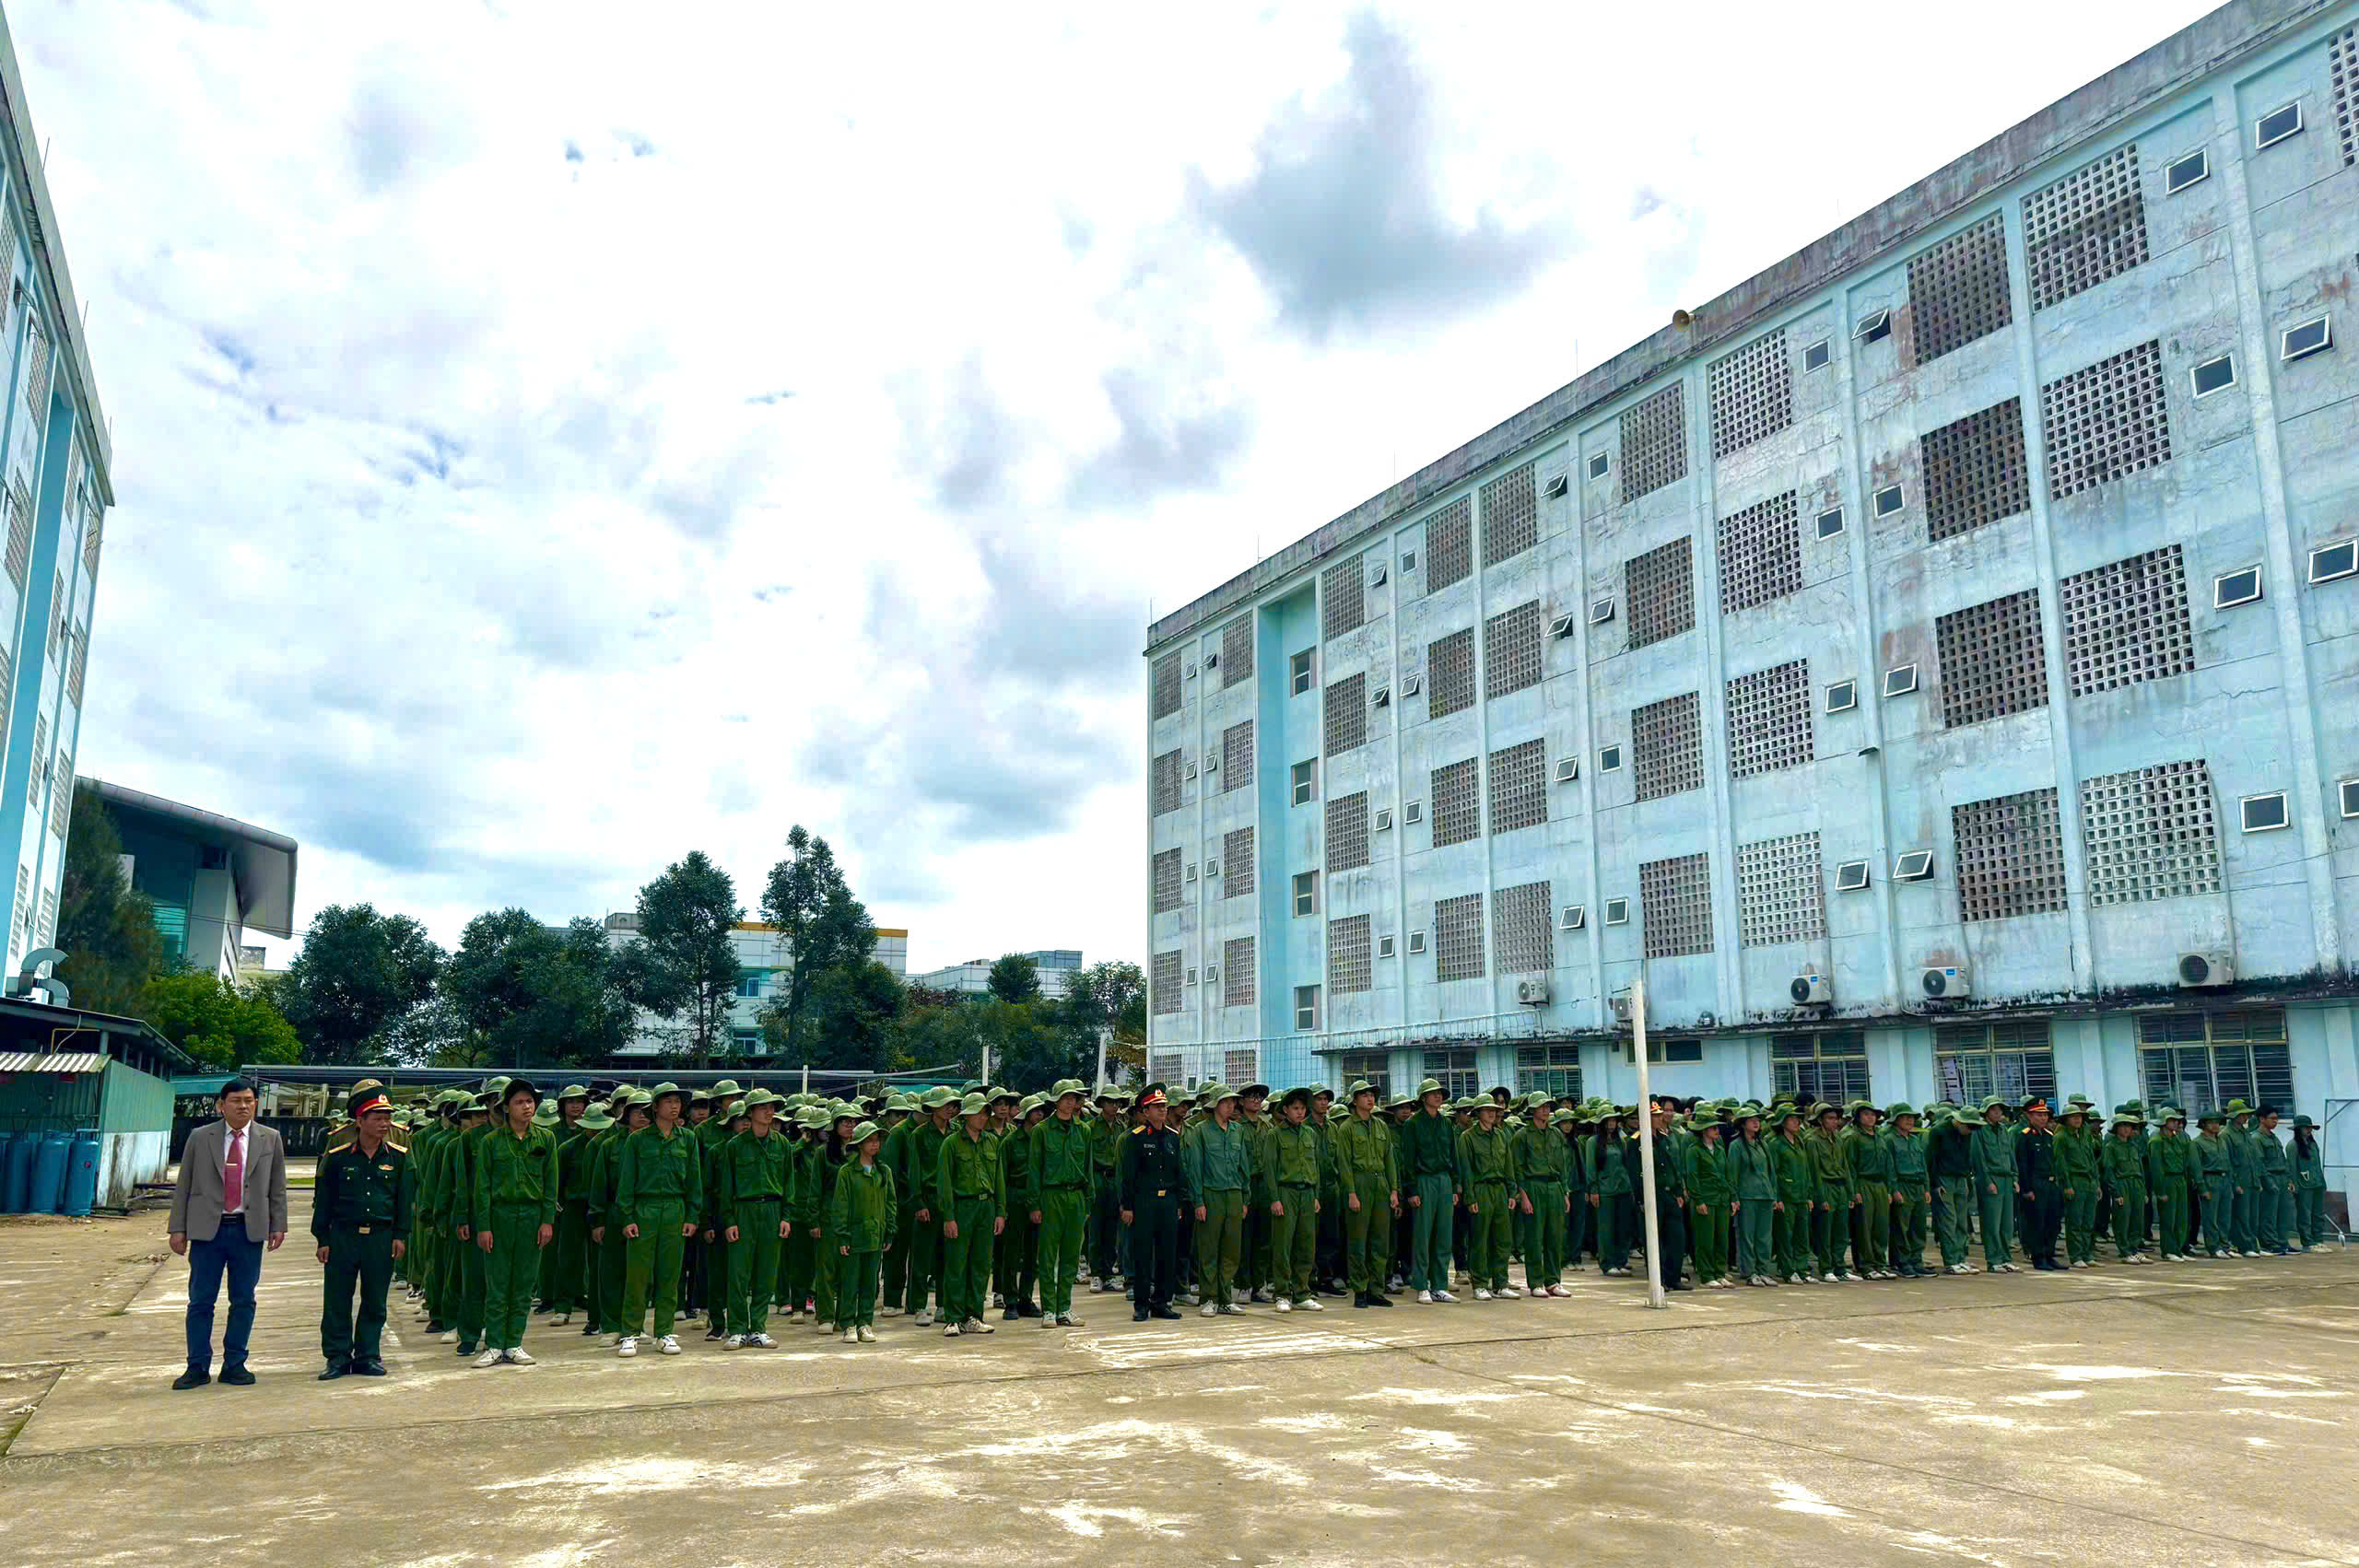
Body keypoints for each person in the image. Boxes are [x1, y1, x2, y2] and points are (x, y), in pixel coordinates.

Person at [169, 1080, 288, 1389]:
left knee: (244, 1300)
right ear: (221, 1105)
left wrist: (278, 1225)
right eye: (236, 1100)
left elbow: (277, 1186)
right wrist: (177, 1228)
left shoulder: (270, 1138)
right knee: (200, 1301)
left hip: (248, 1231)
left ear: (256, 1104)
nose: (243, 1106)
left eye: (249, 1100)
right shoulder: (200, 1137)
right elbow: (184, 1184)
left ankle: (235, 1363)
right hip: (208, 1231)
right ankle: (197, 1366)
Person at [311, 1086, 413, 1379]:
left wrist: (400, 1235)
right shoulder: (339, 1157)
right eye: (377, 1117)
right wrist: (322, 1238)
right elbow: (324, 1200)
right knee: (337, 1299)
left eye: (387, 1117)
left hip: (380, 1237)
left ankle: (368, 1355)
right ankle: (338, 1357)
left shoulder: (398, 1157)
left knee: (375, 1299)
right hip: (343, 1236)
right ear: (360, 1121)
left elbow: (404, 1199)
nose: (384, 1123)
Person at [469, 1079, 559, 1367]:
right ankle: (495, 1344)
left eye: (530, 1101)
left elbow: (551, 1184)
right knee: (497, 1284)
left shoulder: (546, 1139)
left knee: (524, 1284)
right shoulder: (491, 1142)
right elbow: (482, 1187)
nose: (527, 1107)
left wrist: (547, 1221)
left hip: (532, 1217)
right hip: (500, 1216)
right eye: (519, 1102)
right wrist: (484, 1226)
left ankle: (514, 1343)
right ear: (506, 1108)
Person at [616, 1082, 703, 1358]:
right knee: (638, 1276)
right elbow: (626, 1181)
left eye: (677, 1101)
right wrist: (627, 1217)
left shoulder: (688, 1139)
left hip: (675, 1209)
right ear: (655, 1107)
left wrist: (692, 1215)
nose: (675, 1106)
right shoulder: (637, 1140)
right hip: (645, 1208)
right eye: (668, 1102)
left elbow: (694, 1180)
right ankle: (630, 1332)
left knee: (670, 1274)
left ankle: (664, 1332)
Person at [715, 1089, 792, 1348]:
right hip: (743, 1211)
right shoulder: (735, 1146)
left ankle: (758, 1327)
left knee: (766, 1273)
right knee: (738, 1274)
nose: (769, 1112)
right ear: (750, 1112)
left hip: (772, 1210)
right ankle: (737, 1328)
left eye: (771, 1107)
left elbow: (788, 1182)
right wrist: (729, 1220)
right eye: (762, 1107)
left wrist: (786, 1216)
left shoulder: (782, 1144)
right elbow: (726, 1186)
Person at [936, 1092, 1007, 1337]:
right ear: (966, 1116)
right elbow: (944, 1183)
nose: (982, 1117)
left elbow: (999, 1180)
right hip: (961, 1207)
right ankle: (953, 1318)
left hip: (986, 1207)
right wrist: (948, 1216)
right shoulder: (951, 1144)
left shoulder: (992, 1142)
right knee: (956, 1264)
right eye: (977, 1112)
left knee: (981, 1265)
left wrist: (1000, 1212)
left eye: (985, 1112)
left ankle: (974, 1316)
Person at [1119, 1087, 1191, 1320]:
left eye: (1164, 1106)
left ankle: (1162, 1301)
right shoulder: (1136, 1137)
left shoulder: (1173, 1137)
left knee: (1167, 1253)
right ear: (1145, 1111)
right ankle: (1141, 1305)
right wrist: (1127, 1206)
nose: (1162, 1110)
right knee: (1142, 1253)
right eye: (1157, 1107)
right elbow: (1129, 1175)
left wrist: (1179, 1202)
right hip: (1144, 1201)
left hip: (1168, 1201)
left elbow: (1179, 1171)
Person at [1029, 1080, 1095, 1328]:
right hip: (1051, 1195)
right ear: (1056, 1101)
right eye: (1065, 1098)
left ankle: (1064, 1308)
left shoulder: (1083, 1130)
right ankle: (1049, 1309)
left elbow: (1088, 1168)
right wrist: (1034, 1205)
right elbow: (1034, 1169)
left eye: (1073, 1098)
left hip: (1076, 1196)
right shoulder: (1042, 1131)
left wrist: (1088, 1202)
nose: (1070, 1102)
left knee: (1071, 1255)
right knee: (1047, 1255)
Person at [1183, 1083, 1252, 1316]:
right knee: (1209, 1249)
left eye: (1232, 1102)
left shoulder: (1237, 1130)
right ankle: (1209, 1298)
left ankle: (1225, 1298)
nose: (1231, 1106)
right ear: (1214, 1105)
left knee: (1232, 1249)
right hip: (1211, 1194)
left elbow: (1244, 1166)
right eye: (1225, 1102)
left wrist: (1245, 1198)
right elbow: (1195, 1168)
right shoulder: (1201, 1130)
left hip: (1234, 1194)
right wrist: (1198, 1201)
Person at [829, 1119, 897, 1343]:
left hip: (875, 1235)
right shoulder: (847, 1172)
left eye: (877, 1140)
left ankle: (865, 1323)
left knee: (870, 1283)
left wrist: (890, 1230)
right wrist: (842, 1236)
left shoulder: (883, 1171)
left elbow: (890, 1203)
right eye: (870, 1140)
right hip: (854, 1235)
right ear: (859, 1144)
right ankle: (848, 1324)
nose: (875, 1144)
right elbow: (840, 1206)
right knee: (849, 1283)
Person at [1259, 1087, 1324, 1312]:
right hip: (1286, 1191)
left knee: (1306, 1244)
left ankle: (1302, 1293)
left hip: (1307, 1192)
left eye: (1303, 1108)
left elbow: (1315, 1166)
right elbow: (1269, 1168)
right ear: (1285, 1109)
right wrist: (1274, 1199)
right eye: (1295, 1108)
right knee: (1283, 1245)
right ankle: (1282, 1294)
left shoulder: (1310, 1134)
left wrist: (1315, 1195)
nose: (1300, 1112)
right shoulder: (1275, 1135)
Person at [1400, 1078, 1461, 1303]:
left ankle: (1439, 1285)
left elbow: (1453, 1155)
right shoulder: (1413, 1124)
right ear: (1423, 1097)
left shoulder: (1446, 1124)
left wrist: (1455, 1185)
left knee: (1444, 1235)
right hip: (1423, 1180)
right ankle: (1421, 1285)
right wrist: (1412, 1190)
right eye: (1433, 1093)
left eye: (1440, 1093)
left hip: (1444, 1180)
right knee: (1423, 1235)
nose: (1438, 1096)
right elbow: (1407, 1159)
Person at [1456, 1097, 1518, 1299]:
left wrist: (1512, 1192)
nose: (1492, 1113)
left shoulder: (1501, 1136)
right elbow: (1466, 1170)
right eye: (1486, 1110)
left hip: (1500, 1189)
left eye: (1494, 1110)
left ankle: (1500, 1283)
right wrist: (1470, 1198)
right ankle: (1480, 1283)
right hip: (1480, 1189)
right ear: (1477, 1113)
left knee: (1503, 1239)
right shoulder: (1468, 1137)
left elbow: (1508, 1166)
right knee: (1479, 1239)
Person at [1516, 1101, 1571, 1297]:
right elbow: (1518, 1167)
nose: (1546, 1110)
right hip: (1534, 1186)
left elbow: (1562, 1165)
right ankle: (1536, 1282)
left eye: (1548, 1107)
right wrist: (1523, 1196)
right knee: (1534, 1237)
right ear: (1533, 1110)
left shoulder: (1556, 1134)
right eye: (1542, 1107)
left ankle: (1553, 1281)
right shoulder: (1522, 1135)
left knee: (1555, 1236)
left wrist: (1565, 1192)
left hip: (1554, 1186)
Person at [1682, 1115, 1733, 1289]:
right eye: (1713, 1128)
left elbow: (1727, 1173)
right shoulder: (1694, 1150)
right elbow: (1692, 1176)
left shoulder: (1719, 1149)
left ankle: (1720, 1272)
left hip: (1722, 1199)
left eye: (1717, 1127)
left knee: (1722, 1238)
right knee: (1705, 1240)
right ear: (1703, 1130)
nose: (1717, 1131)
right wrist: (1698, 1200)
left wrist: (1732, 1197)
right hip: (1705, 1198)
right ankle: (1706, 1274)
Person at [1971, 1098, 2020, 1272]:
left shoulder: (2004, 1130)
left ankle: (2006, 1258)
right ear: (1986, 1112)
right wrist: (1987, 1181)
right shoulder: (1979, 1131)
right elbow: (1979, 1158)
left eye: (2000, 1109)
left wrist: (2015, 1177)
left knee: (2007, 1224)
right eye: (1994, 1109)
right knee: (1992, 1223)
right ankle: (1993, 1260)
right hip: (1991, 1179)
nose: (1998, 1112)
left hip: (2006, 1179)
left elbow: (2010, 1155)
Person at [2015, 1099, 2065, 1271]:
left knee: (2053, 1222)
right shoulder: (2025, 1136)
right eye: (2039, 1115)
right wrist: (2027, 1189)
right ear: (2029, 1116)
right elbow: (2023, 1165)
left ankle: (2049, 1255)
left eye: (2045, 1115)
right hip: (2036, 1184)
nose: (2043, 1118)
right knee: (2037, 1222)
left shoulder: (2049, 1136)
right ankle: (2038, 1257)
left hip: (2051, 1183)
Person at [2057, 1101, 2102, 1269]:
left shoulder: (2085, 1135)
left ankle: (2087, 1253)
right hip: (2075, 1180)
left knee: (2088, 1221)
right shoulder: (2061, 1137)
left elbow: (2091, 1159)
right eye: (2073, 1117)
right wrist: (2067, 1185)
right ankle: (2076, 1255)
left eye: (2079, 1116)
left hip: (2089, 1180)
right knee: (2075, 1220)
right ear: (2066, 1119)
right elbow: (2061, 1163)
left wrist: (2096, 1183)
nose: (2077, 1119)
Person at [2149, 1107, 2195, 1262]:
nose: (2176, 1123)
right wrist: (2160, 1191)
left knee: (2181, 1218)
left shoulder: (2176, 1138)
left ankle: (2178, 1249)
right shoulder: (2156, 1141)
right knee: (2169, 1218)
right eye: (2172, 1120)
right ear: (2164, 1122)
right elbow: (2156, 1168)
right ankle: (2169, 1250)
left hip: (2180, 1179)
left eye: (2177, 1120)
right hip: (2167, 1180)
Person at [2195, 1108, 2236, 1258]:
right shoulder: (2197, 1143)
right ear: (2203, 1125)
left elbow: (2228, 1163)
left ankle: (2224, 1245)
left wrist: (2231, 1184)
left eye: (2217, 1122)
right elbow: (2196, 1168)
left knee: (2225, 1216)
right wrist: (2202, 1188)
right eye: (2211, 1122)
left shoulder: (2222, 1141)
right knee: (2211, 1217)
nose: (2215, 1125)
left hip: (2224, 1179)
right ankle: (2213, 1246)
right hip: (2210, 1179)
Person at [2290, 1116, 2326, 1250]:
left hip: (2317, 1183)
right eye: (2306, 1128)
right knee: (2304, 1215)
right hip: (2304, 1185)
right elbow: (2292, 1167)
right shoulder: (2293, 1145)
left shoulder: (2313, 1144)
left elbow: (2317, 1165)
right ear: (2298, 1129)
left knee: (2318, 1214)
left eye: (2310, 1128)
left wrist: (2322, 1182)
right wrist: (2294, 1184)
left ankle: (2318, 1239)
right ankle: (2307, 1242)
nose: (2309, 1130)